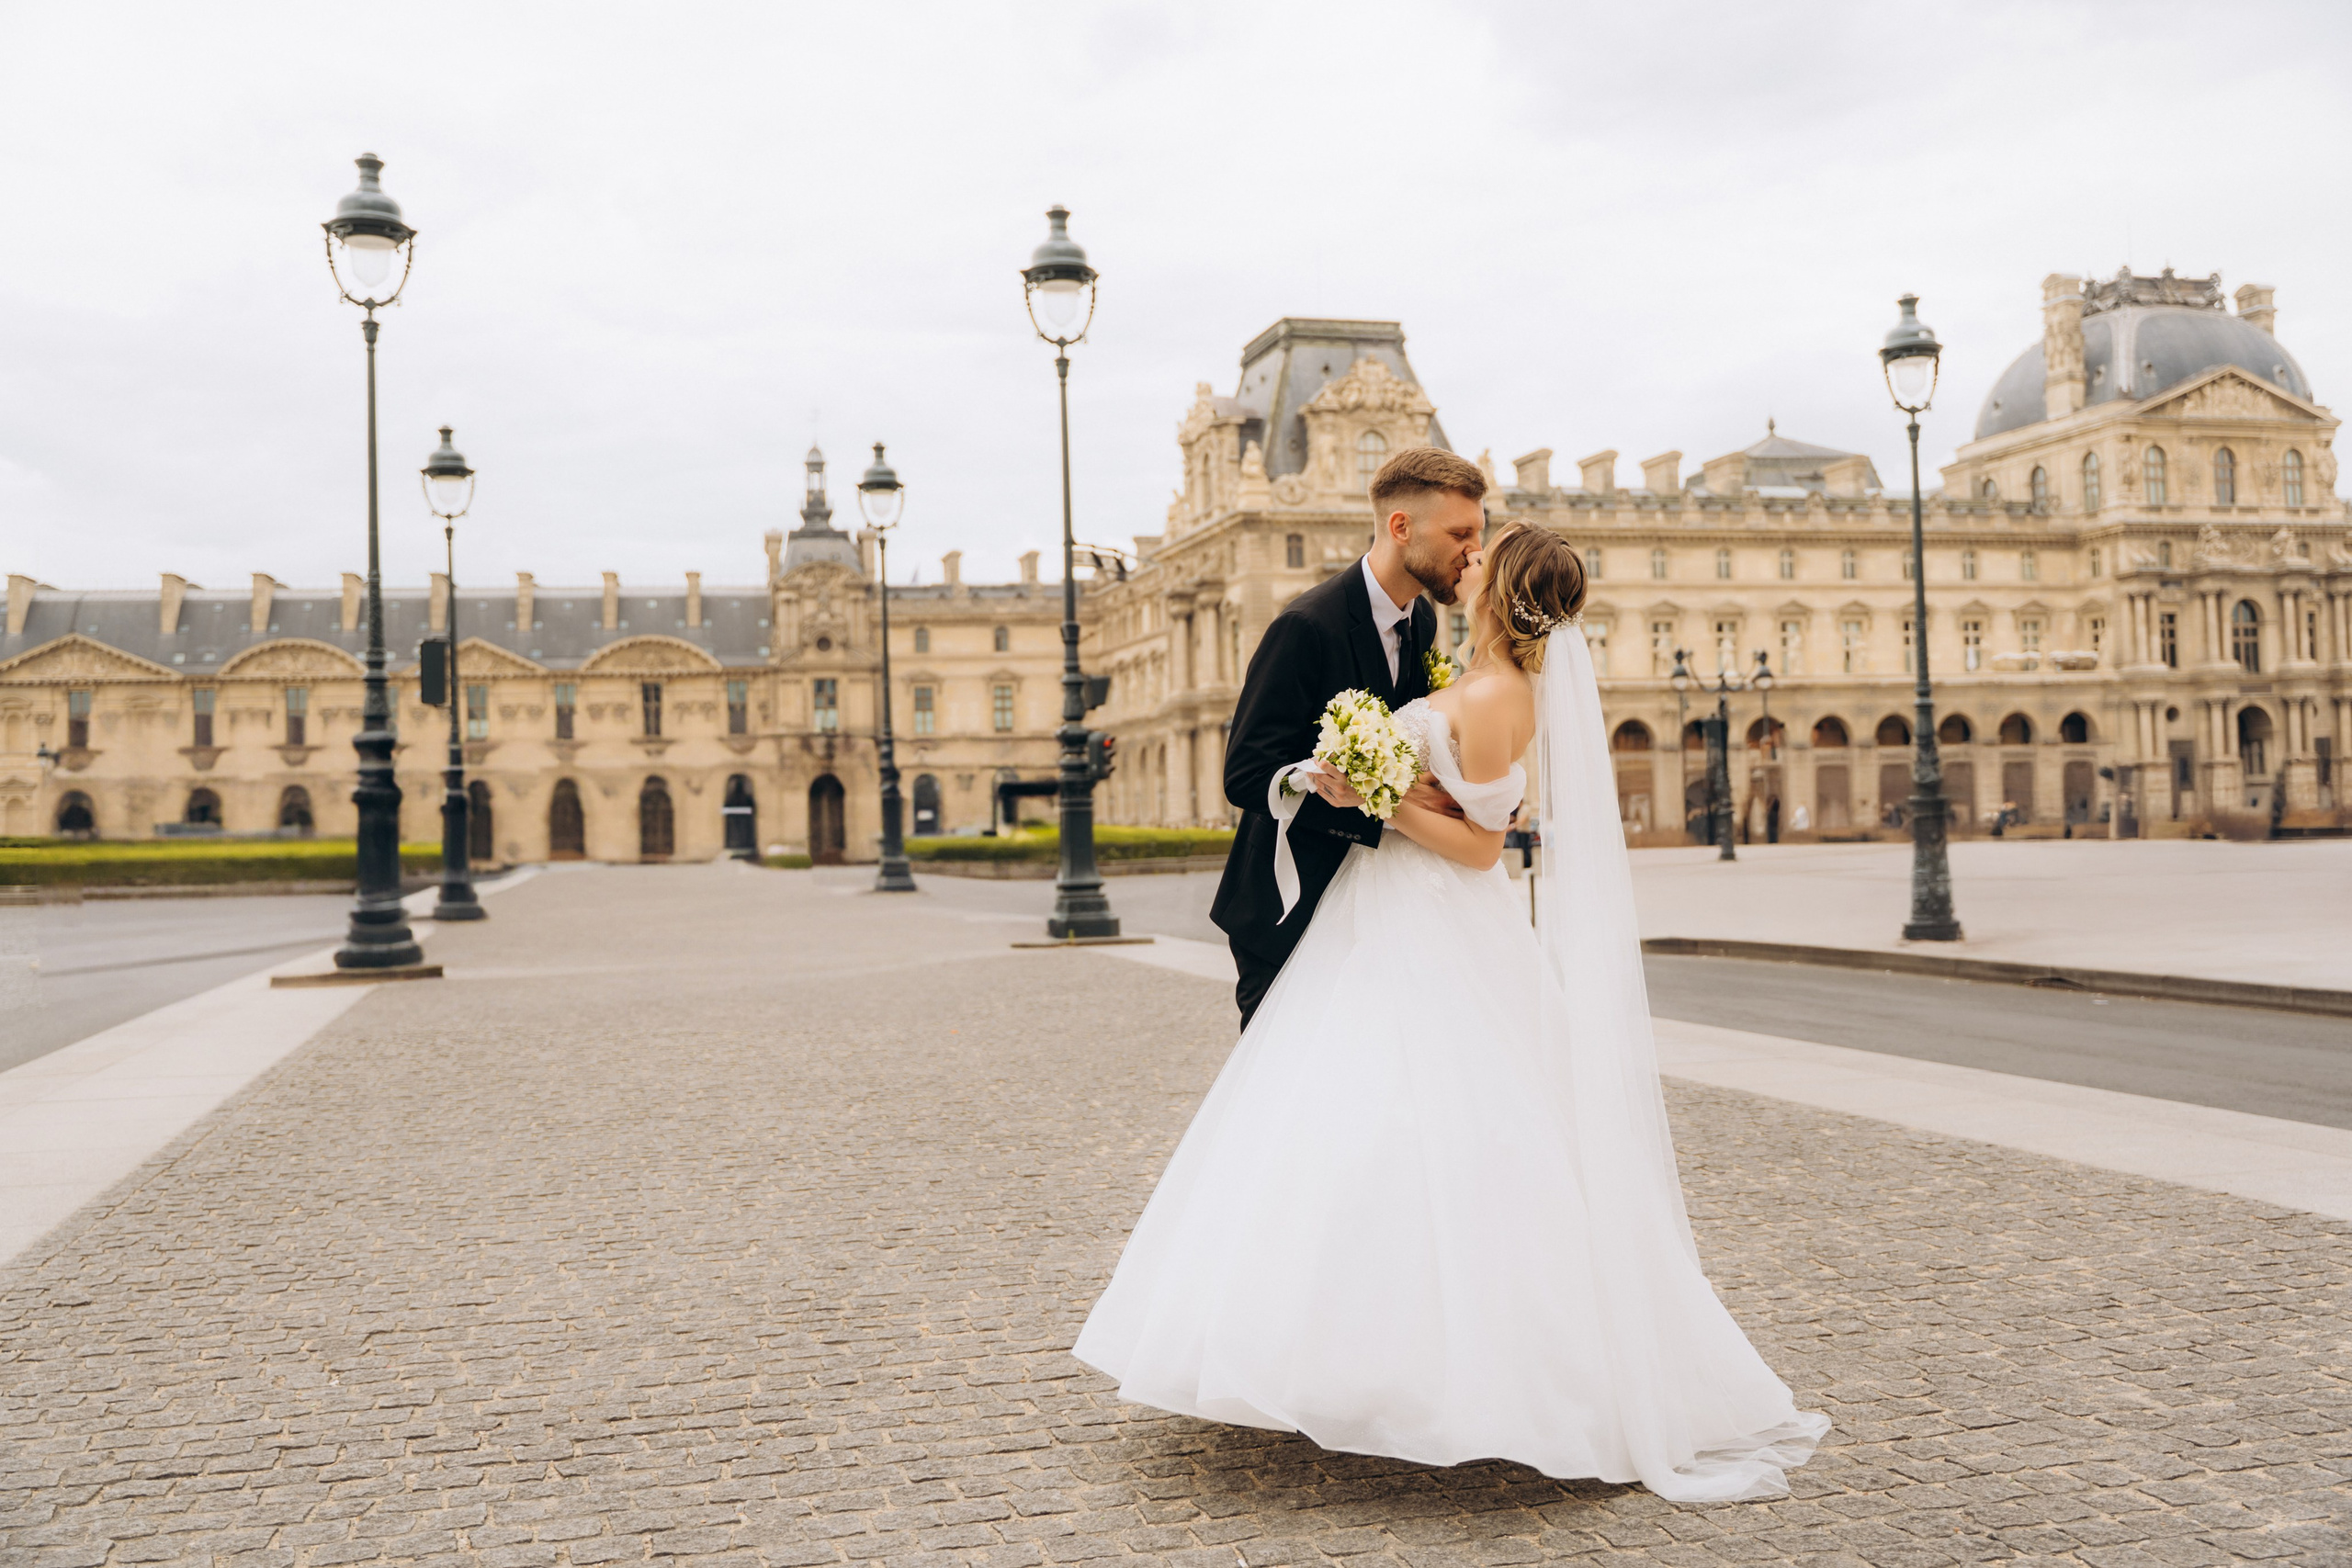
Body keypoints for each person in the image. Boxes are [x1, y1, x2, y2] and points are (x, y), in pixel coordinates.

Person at [1075, 521, 1829, 1502]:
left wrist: (1380, 796)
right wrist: (1389, 786)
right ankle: (1348, 1355)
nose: (1465, 560)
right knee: (1370, 1117)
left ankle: (1421, 1372)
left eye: (1481, 553)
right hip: (1393, 913)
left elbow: (1479, 848)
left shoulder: (1493, 691)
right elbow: (1466, 806)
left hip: (1429, 914)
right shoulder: (1475, 674)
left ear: (1501, 587)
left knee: (1417, 1124)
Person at [1208, 446, 1483, 1030]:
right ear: (1401, 527)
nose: (1474, 552)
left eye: (1477, 533)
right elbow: (1246, 774)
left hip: (1376, 904)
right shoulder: (1304, 627)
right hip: (1289, 905)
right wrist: (1380, 800)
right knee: (1283, 1074)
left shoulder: (1423, 619)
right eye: (1460, 534)